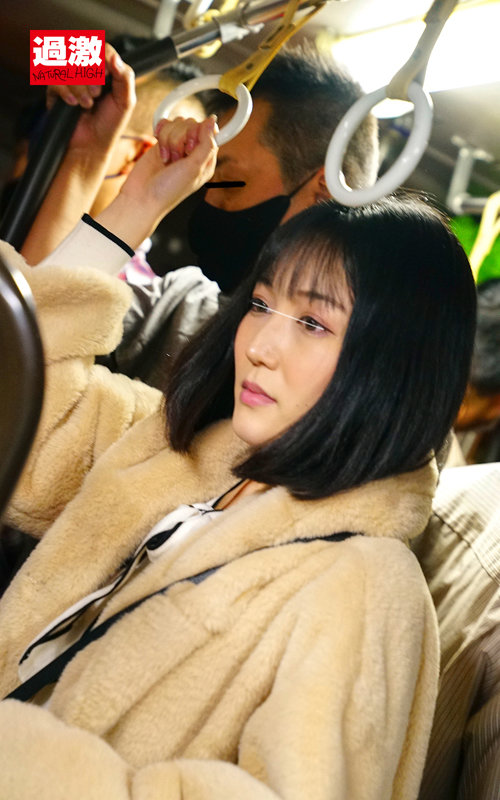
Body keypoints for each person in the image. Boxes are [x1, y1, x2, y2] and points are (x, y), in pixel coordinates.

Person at [0, 114, 476, 799]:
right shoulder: (179, 449)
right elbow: (18, 400)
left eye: (312, 322)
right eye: (261, 303)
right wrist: (137, 204)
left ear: (394, 364)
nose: (259, 345)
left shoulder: (366, 586)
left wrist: (22, 756)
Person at [22, 42, 379, 388]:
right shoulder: (182, 308)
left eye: (230, 182)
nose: (210, 205)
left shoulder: (365, 375)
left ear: (325, 195)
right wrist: (85, 156)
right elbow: (24, 336)